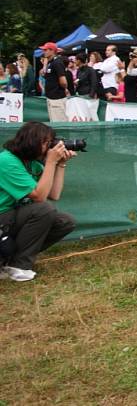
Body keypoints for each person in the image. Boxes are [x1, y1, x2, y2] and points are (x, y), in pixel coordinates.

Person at [0, 122, 76, 281]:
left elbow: (54, 194)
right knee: (43, 209)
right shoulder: (6, 160)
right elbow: (40, 197)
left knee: (64, 221)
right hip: (2, 217)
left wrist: (60, 164)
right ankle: (18, 266)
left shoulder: (32, 163)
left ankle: (10, 262)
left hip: (11, 218)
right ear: (30, 142)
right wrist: (50, 162)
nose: (50, 147)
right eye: (46, 143)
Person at [41, 42, 72, 122]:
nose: (43, 51)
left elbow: (63, 81)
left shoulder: (57, 62)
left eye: (45, 50)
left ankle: (62, 135)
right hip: (51, 97)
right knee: (54, 122)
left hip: (57, 98)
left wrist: (65, 88)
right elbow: (45, 75)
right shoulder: (50, 63)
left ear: (52, 51)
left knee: (59, 122)